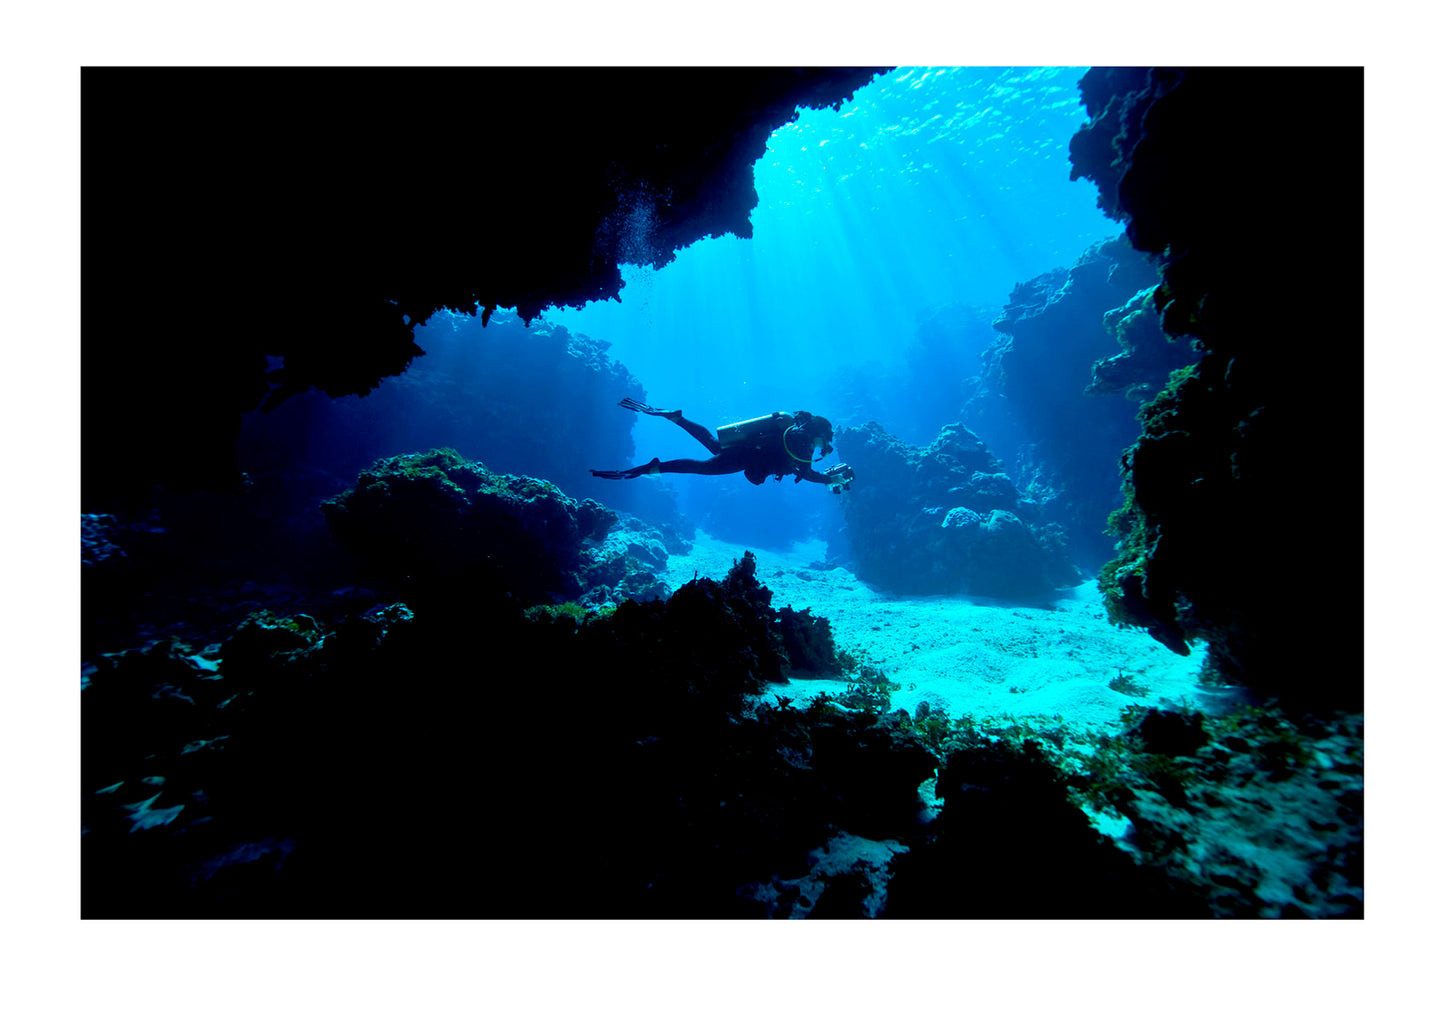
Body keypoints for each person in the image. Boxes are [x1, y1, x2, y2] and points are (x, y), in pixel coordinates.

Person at [591, 398, 856, 492]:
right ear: (818, 433)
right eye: (826, 439)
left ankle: (678, 418)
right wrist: (829, 480)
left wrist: (828, 478)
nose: (824, 445)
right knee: (704, 468)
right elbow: (807, 473)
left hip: (747, 450)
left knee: (712, 444)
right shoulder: (803, 443)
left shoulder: (797, 435)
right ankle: (655, 467)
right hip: (748, 457)